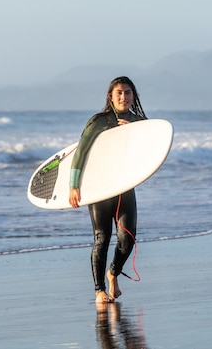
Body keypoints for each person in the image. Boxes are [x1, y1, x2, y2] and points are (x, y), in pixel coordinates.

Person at [69, 76, 148, 303]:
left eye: (128, 92)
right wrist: (74, 186)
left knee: (127, 239)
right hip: (100, 187)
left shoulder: (141, 124)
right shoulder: (99, 121)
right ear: (111, 96)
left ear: (134, 96)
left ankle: (113, 272)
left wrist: (134, 132)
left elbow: (148, 156)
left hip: (124, 187)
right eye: (119, 93)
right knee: (101, 238)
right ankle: (99, 290)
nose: (124, 97)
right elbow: (80, 154)